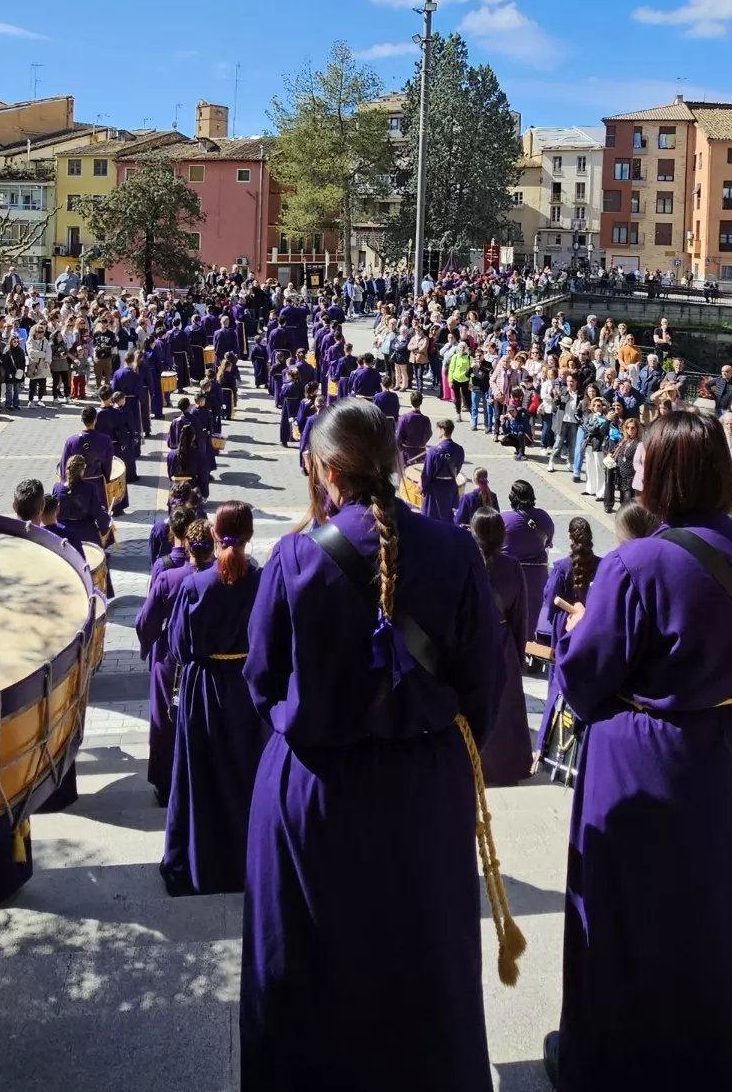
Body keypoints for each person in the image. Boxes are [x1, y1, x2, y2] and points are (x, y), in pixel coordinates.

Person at [546, 408, 732, 1092]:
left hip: (649, 762)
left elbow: (585, 683)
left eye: (645, 460)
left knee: (644, 914)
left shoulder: (635, 564)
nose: (636, 468)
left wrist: (576, 631)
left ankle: (631, 1058)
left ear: (667, 475)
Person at [241, 399, 509, 1091]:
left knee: (309, 967)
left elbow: (263, 681)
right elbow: (484, 683)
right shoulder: (454, 548)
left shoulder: (295, 555)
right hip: (423, 780)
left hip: (316, 788)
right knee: (422, 959)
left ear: (327, 471)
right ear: (396, 460)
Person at [161, 502, 267, 896]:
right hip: (248, 688)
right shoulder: (263, 579)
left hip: (202, 689)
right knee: (247, 775)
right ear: (250, 535)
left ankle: (197, 863)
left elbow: (178, 645)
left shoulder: (194, 585)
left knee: (199, 778)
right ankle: (248, 861)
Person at [139, 504, 199, 805]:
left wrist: (147, 644)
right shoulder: (209, 571)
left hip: (168, 655)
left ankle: (164, 783)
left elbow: (146, 619)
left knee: (163, 719)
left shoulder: (164, 570)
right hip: (200, 656)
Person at [470, 506, 534, 787]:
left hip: (473, 641)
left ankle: (474, 765)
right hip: (504, 640)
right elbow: (521, 613)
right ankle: (508, 767)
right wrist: (519, 651)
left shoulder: (466, 562)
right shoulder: (513, 565)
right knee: (507, 710)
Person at [536, 517, 600, 778]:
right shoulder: (603, 564)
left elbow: (549, 602)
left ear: (571, 539)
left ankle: (545, 744)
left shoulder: (562, 567)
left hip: (564, 633)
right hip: (590, 632)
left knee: (556, 686)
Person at [502, 479, 556, 635]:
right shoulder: (544, 517)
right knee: (533, 617)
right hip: (538, 577)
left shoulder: (504, 519)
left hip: (511, 575)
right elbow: (548, 542)